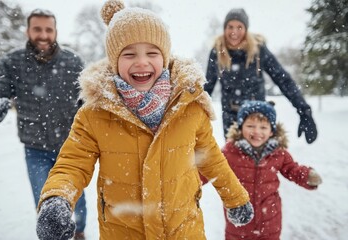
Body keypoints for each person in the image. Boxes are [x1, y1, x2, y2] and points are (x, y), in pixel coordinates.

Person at [35, 0, 254, 239]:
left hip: (183, 230)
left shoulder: (189, 106)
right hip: (123, 232)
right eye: (129, 54)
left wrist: (235, 197)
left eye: (152, 53)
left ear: (165, 57)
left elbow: (211, 158)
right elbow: (72, 163)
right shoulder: (94, 114)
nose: (141, 62)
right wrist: (57, 197)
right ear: (114, 60)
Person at [0, 8, 87, 240]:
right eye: (37, 29)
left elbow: (87, 99)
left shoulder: (73, 62)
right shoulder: (12, 62)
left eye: (48, 30)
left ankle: (79, 230)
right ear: (28, 31)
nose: (43, 35)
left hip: (70, 148)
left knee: (76, 198)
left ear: (55, 32)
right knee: (46, 201)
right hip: (35, 149)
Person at [204, 8, 318, 144]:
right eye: (230, 27)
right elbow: (207, 88)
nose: (234, 32)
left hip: (257, 117)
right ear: (225, 28)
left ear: (246, 29)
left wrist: (304, 110)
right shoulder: (217, 52)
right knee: (233, 159)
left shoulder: (258, 50)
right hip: (231, 118)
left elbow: (283, 79)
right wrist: (194, 115)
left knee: (260, 160)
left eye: (239, 27)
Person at [221, 100, 322, 239]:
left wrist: (307, 175)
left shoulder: (278, 152)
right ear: (240, 127)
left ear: (272, 131)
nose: (257, 131)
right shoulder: (230, 151)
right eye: (250, 126)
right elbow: (212, 169)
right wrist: (190, 181)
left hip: (269, 220)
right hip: (239, 220)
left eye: (263, 127)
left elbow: (291, 169)